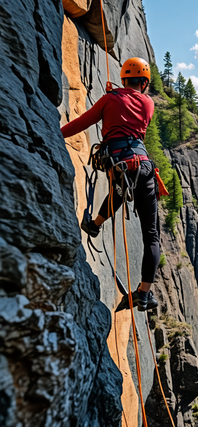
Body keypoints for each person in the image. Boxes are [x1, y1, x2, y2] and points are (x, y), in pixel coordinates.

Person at [61, 57, 159, 312]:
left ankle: (94, 225)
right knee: (151, 235)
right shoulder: (148, 103)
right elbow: (131, 108)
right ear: (144, 83)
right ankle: (144, 294)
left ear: (124, 79)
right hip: (144, 167)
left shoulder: (109, 99)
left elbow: (83, 122)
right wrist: (114, 94)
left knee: (118, 192)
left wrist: (56, 133)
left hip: (120, 165)